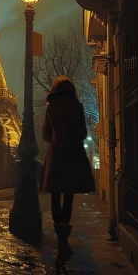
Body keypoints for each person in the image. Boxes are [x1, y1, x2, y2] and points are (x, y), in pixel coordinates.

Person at [39, 75, 96, 262]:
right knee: (68, 196)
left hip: (56, 155)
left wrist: (55, 141)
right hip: (73, 155)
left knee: (56, 195)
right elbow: (82, 133)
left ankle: (61, 241)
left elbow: (46, 133)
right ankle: (64, 242)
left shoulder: (50, 106)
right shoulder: (76, 106)